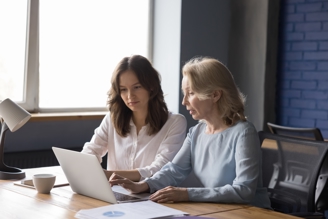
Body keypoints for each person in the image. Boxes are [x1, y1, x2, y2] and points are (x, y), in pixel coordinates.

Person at [109, 56, 271, 209]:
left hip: (251, 213)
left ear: (215, 95)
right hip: (218, 210)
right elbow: (174, 170)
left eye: (191, 93)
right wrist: (143, 185)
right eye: (184, 94)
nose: (184, 101)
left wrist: (186, 193)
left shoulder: (244, 133)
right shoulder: (197, 132)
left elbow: (244, 190)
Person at [81, 55, 187, 182]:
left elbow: (161, 169)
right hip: (114, 194)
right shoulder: (112, 119)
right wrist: (85, 168)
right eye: (123, 90)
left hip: (152, 196)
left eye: (137, 87)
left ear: (151, 86)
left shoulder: (175, 122)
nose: (130, 96)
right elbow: (91, 150)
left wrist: (108, 175)